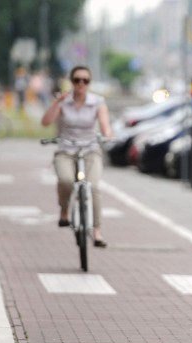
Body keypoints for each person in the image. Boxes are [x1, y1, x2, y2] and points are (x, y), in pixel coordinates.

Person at [41, 65, 112, 247]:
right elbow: (46, 122)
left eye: (85, 81)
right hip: (66, 149)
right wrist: (57, 102)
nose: (81, 84)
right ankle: (64, 211)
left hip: (90, 149)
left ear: (89, 83)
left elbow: (105, 125)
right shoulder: (63, 101)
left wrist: (107, 135)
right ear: (71, 82)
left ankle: (96, 231)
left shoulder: (97, 102)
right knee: (65, 180)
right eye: (77, 80)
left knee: (94, 187)